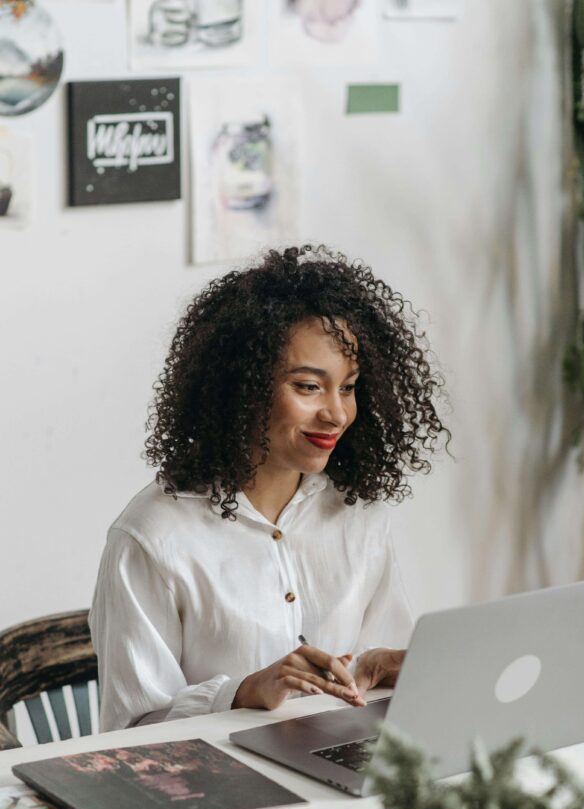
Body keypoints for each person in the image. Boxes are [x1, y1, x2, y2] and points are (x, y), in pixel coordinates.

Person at [90, 245, 451, 731]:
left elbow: (370, 676)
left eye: (348, 387)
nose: (337, 414)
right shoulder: (151, 538)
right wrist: (243, 692)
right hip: (221, 792)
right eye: (308, 386)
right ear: (242, 386)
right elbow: (130, 731)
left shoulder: (357, 513)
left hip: (338, 762)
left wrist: (376, 666)